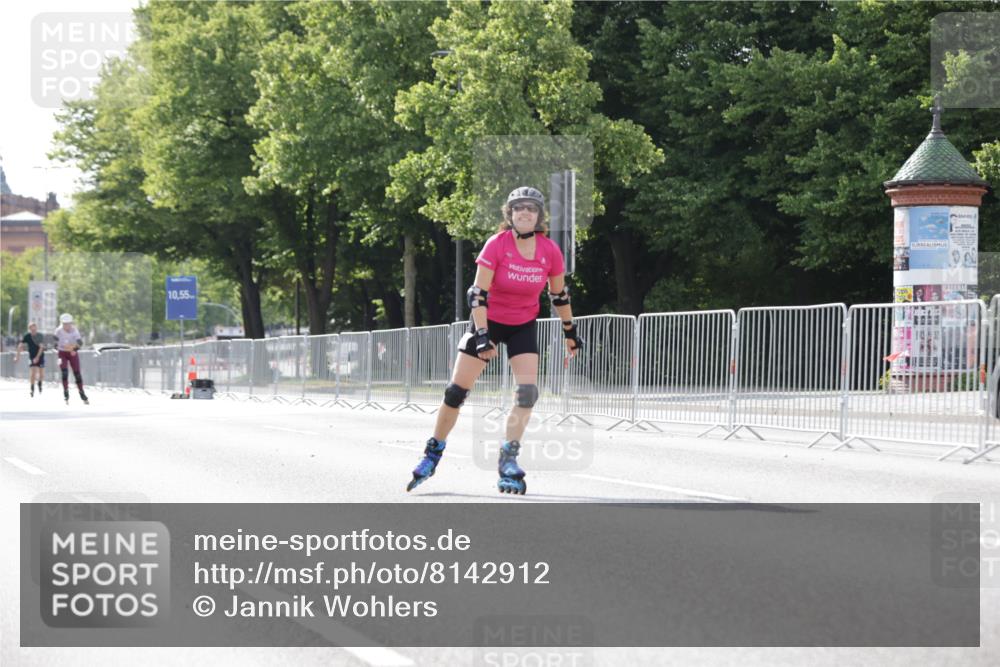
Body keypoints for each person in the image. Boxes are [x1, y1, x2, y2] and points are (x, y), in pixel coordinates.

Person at [406, 186, 583, 495]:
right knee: (455, 392)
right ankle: (432, 453)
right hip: (487, 321)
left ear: (539, 216)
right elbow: (477, 294)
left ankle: (508, 457)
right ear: (510, 214)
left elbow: (559, 295)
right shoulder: (497, 244)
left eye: (531, 208)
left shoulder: (549, 250)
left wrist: (570, 332)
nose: (525, 212)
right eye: (519, 208)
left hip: (522, 324)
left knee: (527, 393)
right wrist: (483, 336)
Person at [54, 313, 89, 405]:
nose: (67, 326)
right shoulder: (58, 331)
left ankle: (81, 392)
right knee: (65, 372)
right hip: (62, 353)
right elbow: (54, 344)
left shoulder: (74, 330)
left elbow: (80, 342)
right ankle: (66, 391)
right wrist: (58, 347)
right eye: (65, 324)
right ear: (62, 323)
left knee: (77, 373)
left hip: (72, 353)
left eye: (68, 323)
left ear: (71, 323)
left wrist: (74, 349)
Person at [14, 322, 46, 397]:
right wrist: (17, 357)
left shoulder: (40, 336)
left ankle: (40, 383)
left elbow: (41, 347)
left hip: (40, 356)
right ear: (29, 329)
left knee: (41, 374)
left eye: (34, 329)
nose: (33, 331)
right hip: (32, 356)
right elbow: (20, 346)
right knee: (33, 373)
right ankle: (32, 388)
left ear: (36, 328)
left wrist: (37, 357)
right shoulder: (27, 336)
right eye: (31, 329)